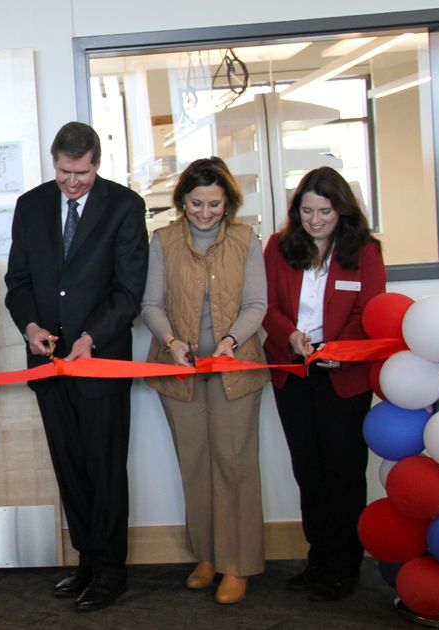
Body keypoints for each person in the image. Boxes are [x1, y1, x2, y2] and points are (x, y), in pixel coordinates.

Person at [3, 121, 148, 612]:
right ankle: (88, 559)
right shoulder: (31, 205)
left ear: (97, 164)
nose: (71, 183)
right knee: (70, 466)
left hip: (101, 363)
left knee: (105, 467)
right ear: (54, 161)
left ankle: (111, 571)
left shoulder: (125, 207)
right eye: (64, 172)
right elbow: (17, 280)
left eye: (81, 174)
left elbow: (128, 292)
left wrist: (90, 338)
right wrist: (29, 326)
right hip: (48, 366)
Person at [140, 157, 268, 605]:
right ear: (182, 201)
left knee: (234, 466)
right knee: (194, 464)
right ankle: (207, 556)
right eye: (196, 203)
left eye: (214, 204)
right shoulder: (164, 241)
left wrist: (231, 340)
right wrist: (172, 341)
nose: (205, 212)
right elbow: (151, 304)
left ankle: (238, 564)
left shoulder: (244, 240)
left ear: (228, 202)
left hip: (235, 368)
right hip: (181, 369)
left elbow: (257, 303)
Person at [262, 166, 385, 602]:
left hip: (343, 376)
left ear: (343, 212)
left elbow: (369, 312)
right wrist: (290, 336)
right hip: (293, 372)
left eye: (324, 212)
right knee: (308, 471)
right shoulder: (278, 247)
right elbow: (268, 306)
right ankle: (318, 559)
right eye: (306, 211)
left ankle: (345, 564)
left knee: (344, 471)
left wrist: (339, 345)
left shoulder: (365, 251)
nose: (314, 221)